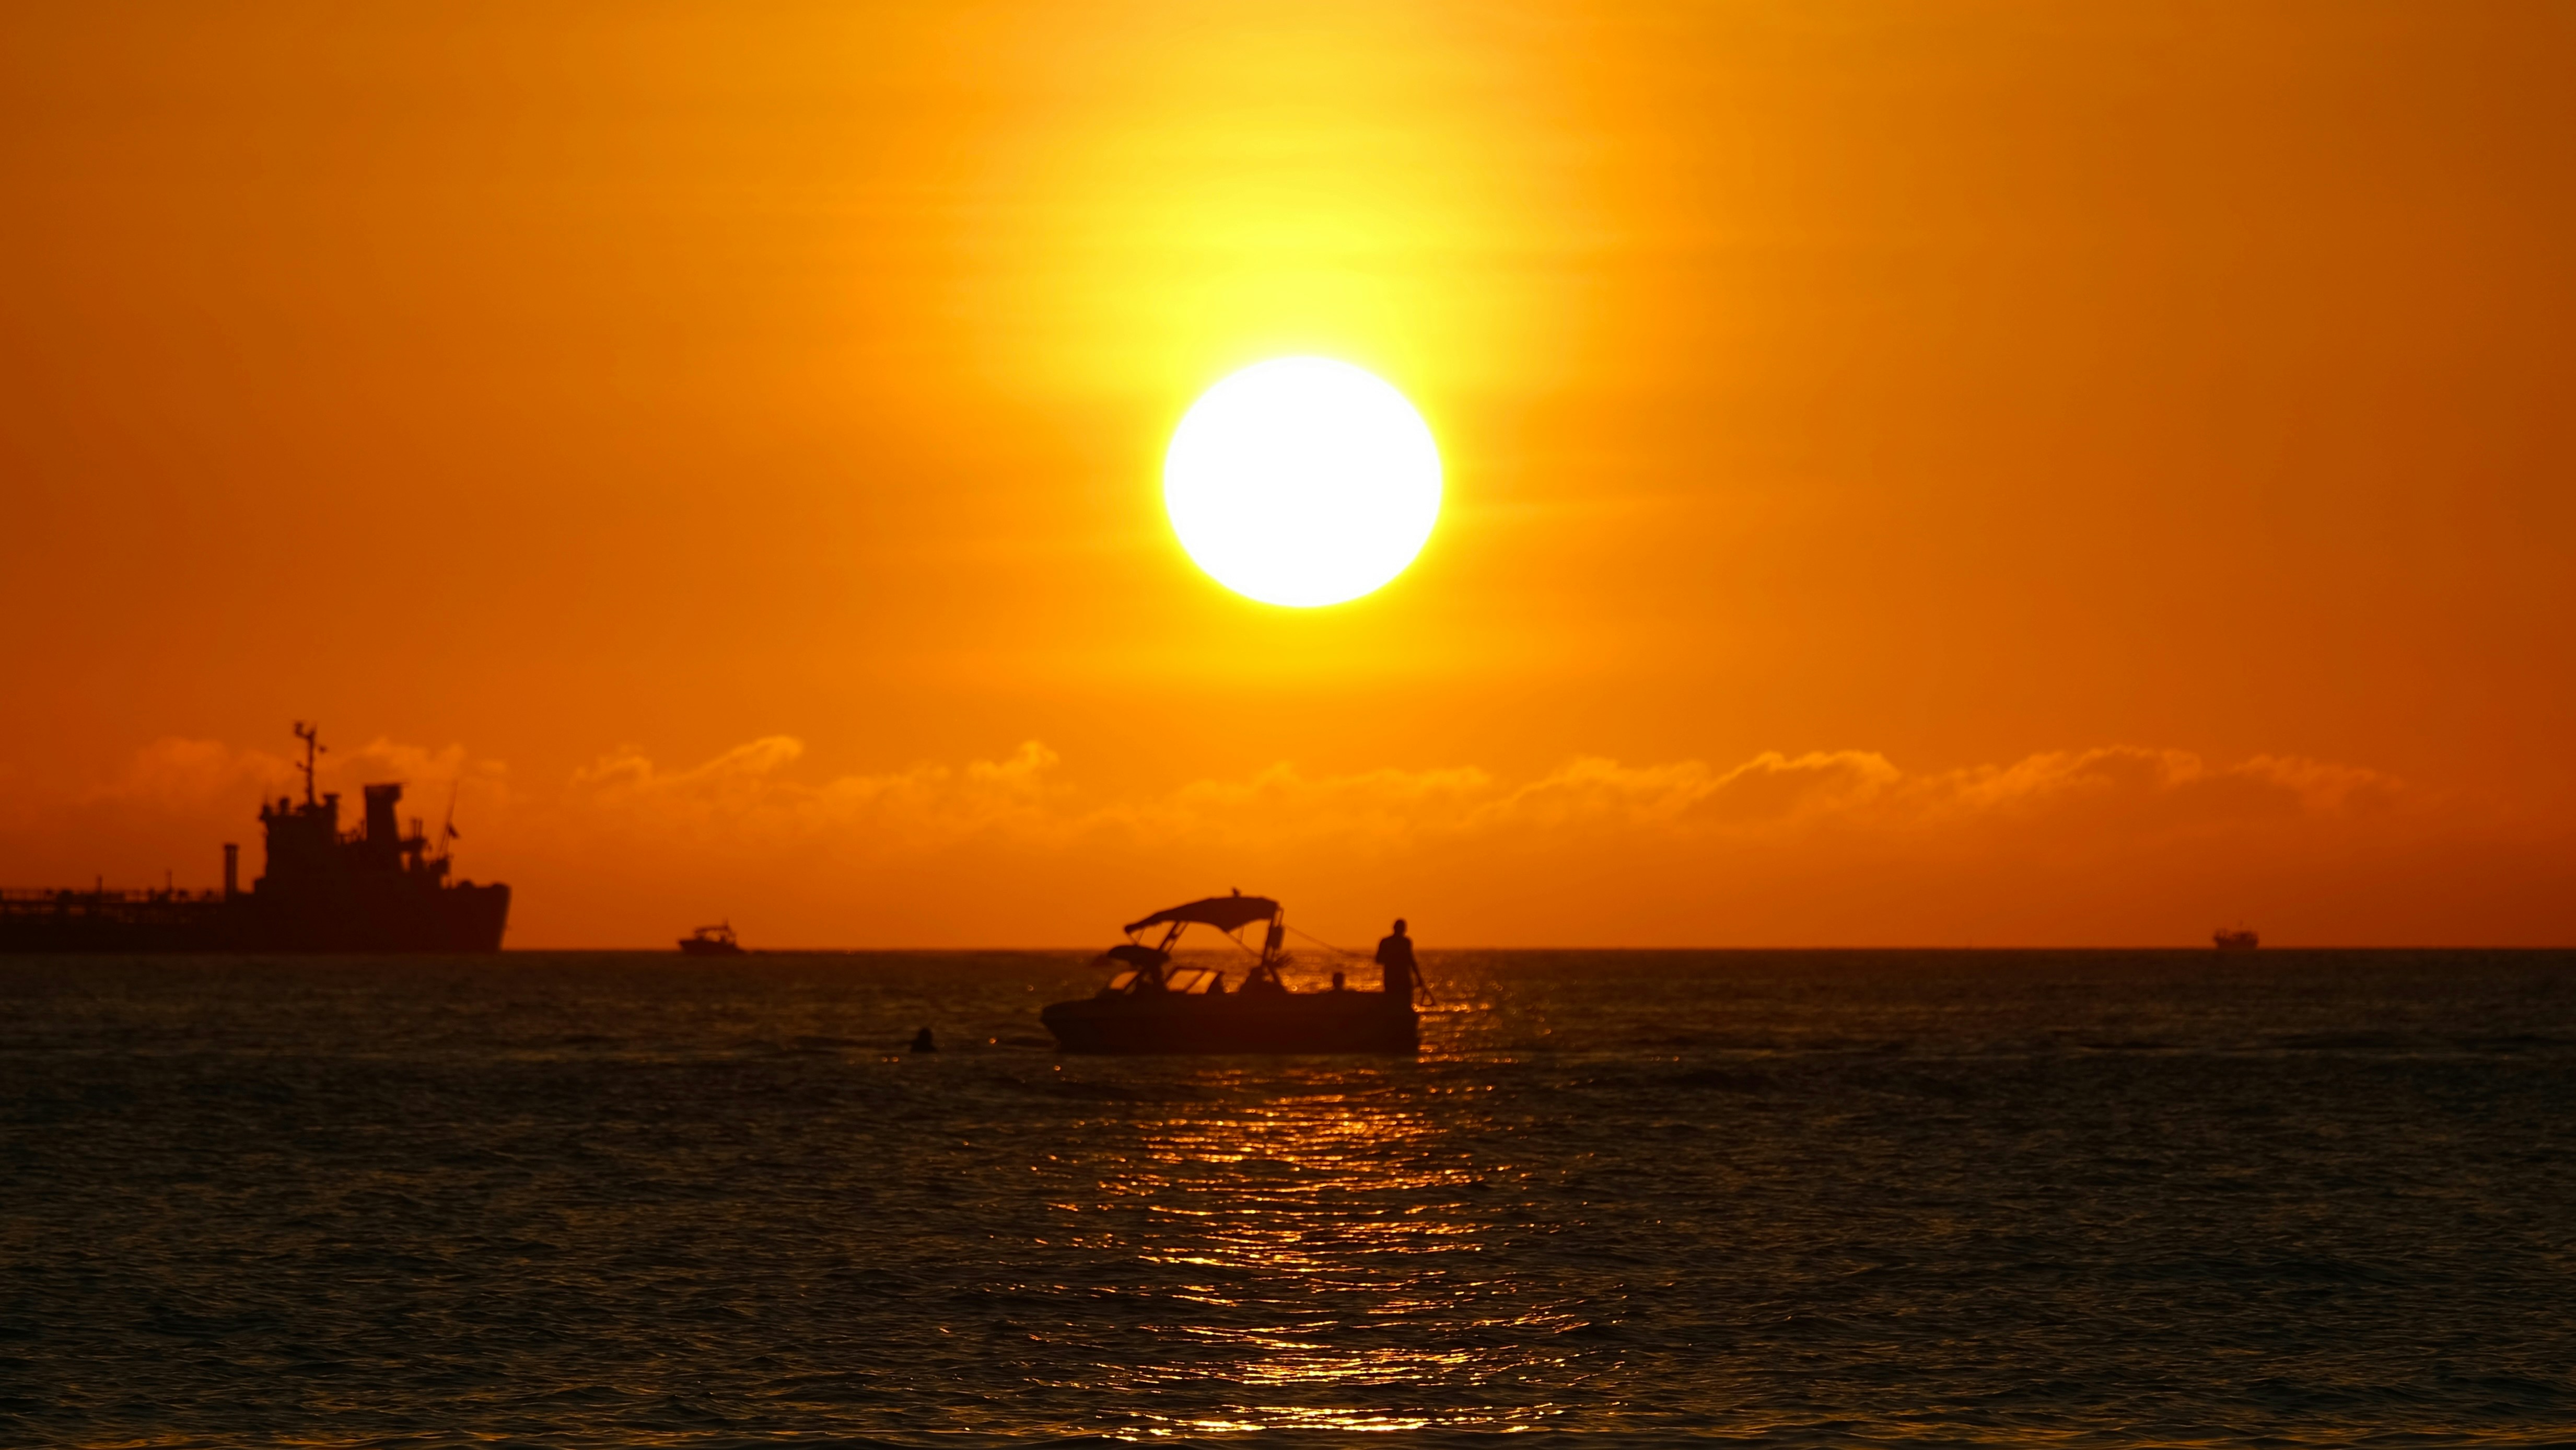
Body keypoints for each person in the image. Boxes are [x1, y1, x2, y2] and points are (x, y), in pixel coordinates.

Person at [1374, 919, 1424, 1004]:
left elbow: (1411, 960)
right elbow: (1378, 960)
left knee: (1401, 1001)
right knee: (1395, 1001)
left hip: (1400, 978)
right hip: (1395, 978)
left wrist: (1419, 978)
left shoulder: (1404, 942)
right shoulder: (1390, 942)